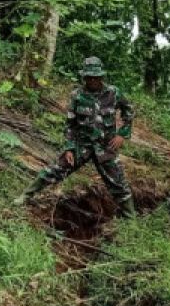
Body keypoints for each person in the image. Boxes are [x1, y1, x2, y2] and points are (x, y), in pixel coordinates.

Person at [13, 56, 136, 215]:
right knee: (55, 170)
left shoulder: (113, 93)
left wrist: (122, 134)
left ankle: (130, 217)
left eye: (95, 77)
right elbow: (70, 124)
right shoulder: (77, 95)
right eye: (89, 77)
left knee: (118, 184)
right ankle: (26, 195)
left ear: (101, 77)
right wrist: (69, 148)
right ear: (84, 77)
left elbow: (129, 111)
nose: (92, 80)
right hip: (82, 145)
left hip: (105, 147)